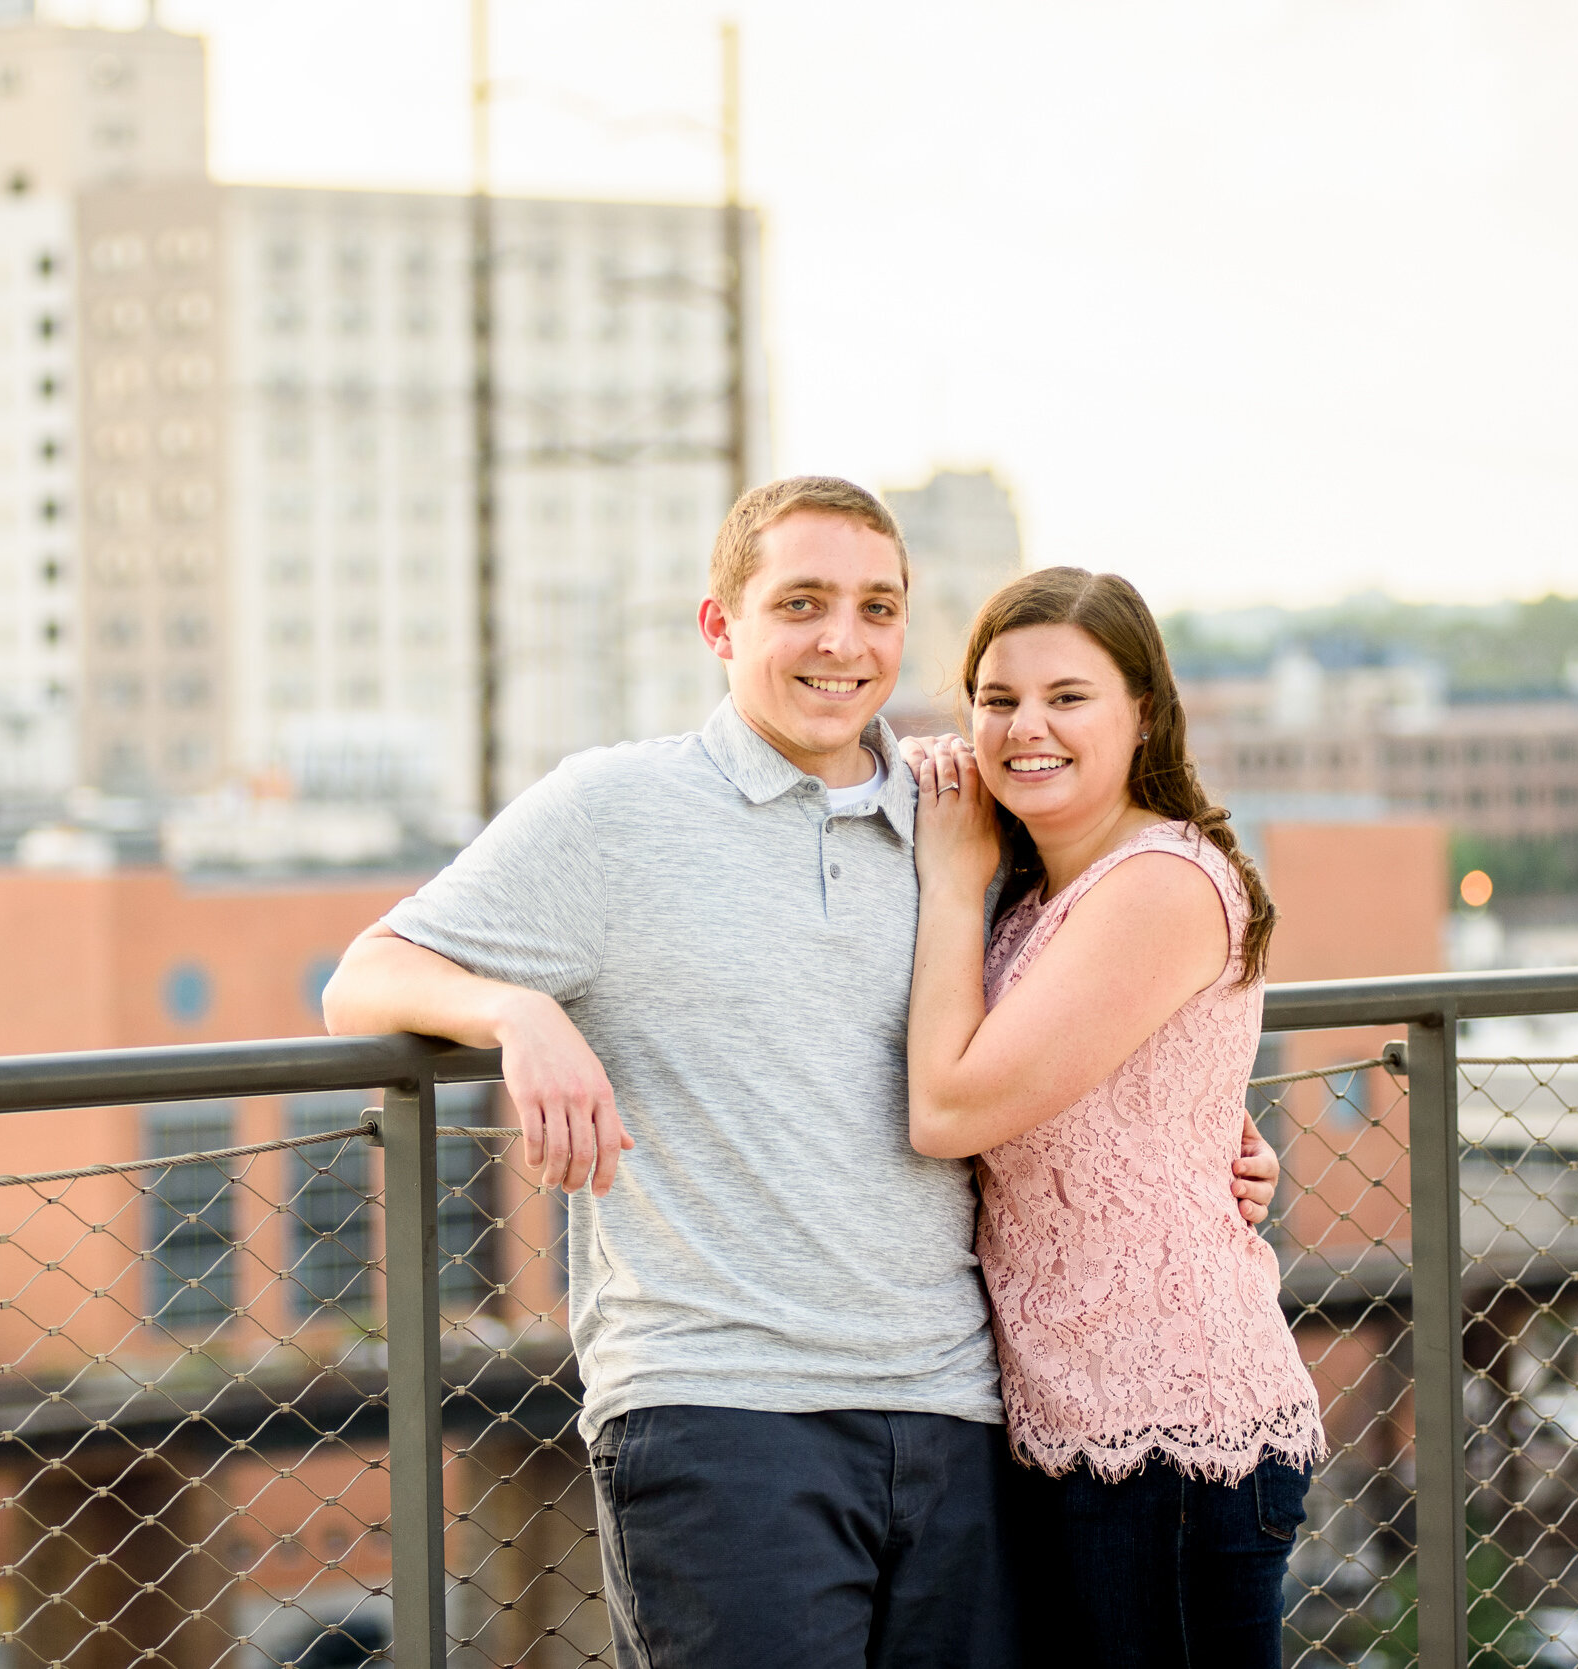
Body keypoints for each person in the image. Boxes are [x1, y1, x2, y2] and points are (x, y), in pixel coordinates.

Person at [322, 478, 1279, 1669]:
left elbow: (1109, 1010)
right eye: (803, 603)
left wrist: (1206, 1150)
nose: (844, 641)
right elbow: (364, 975)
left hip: (965, 1409)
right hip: (723, 1408)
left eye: (879, 608)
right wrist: (514, 1008)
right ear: (721, 625)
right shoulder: (612, 809)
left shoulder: (971, 813)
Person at [898, 567, 1326, 1669]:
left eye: (1066, 696)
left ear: (1143, 710)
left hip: (1173, 1438)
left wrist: (949, 884)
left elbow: (947, 1108)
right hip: (1067, 1429)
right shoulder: (1039, 892)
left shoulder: (1159, 883)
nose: (1023, 726)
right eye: (995, 698)